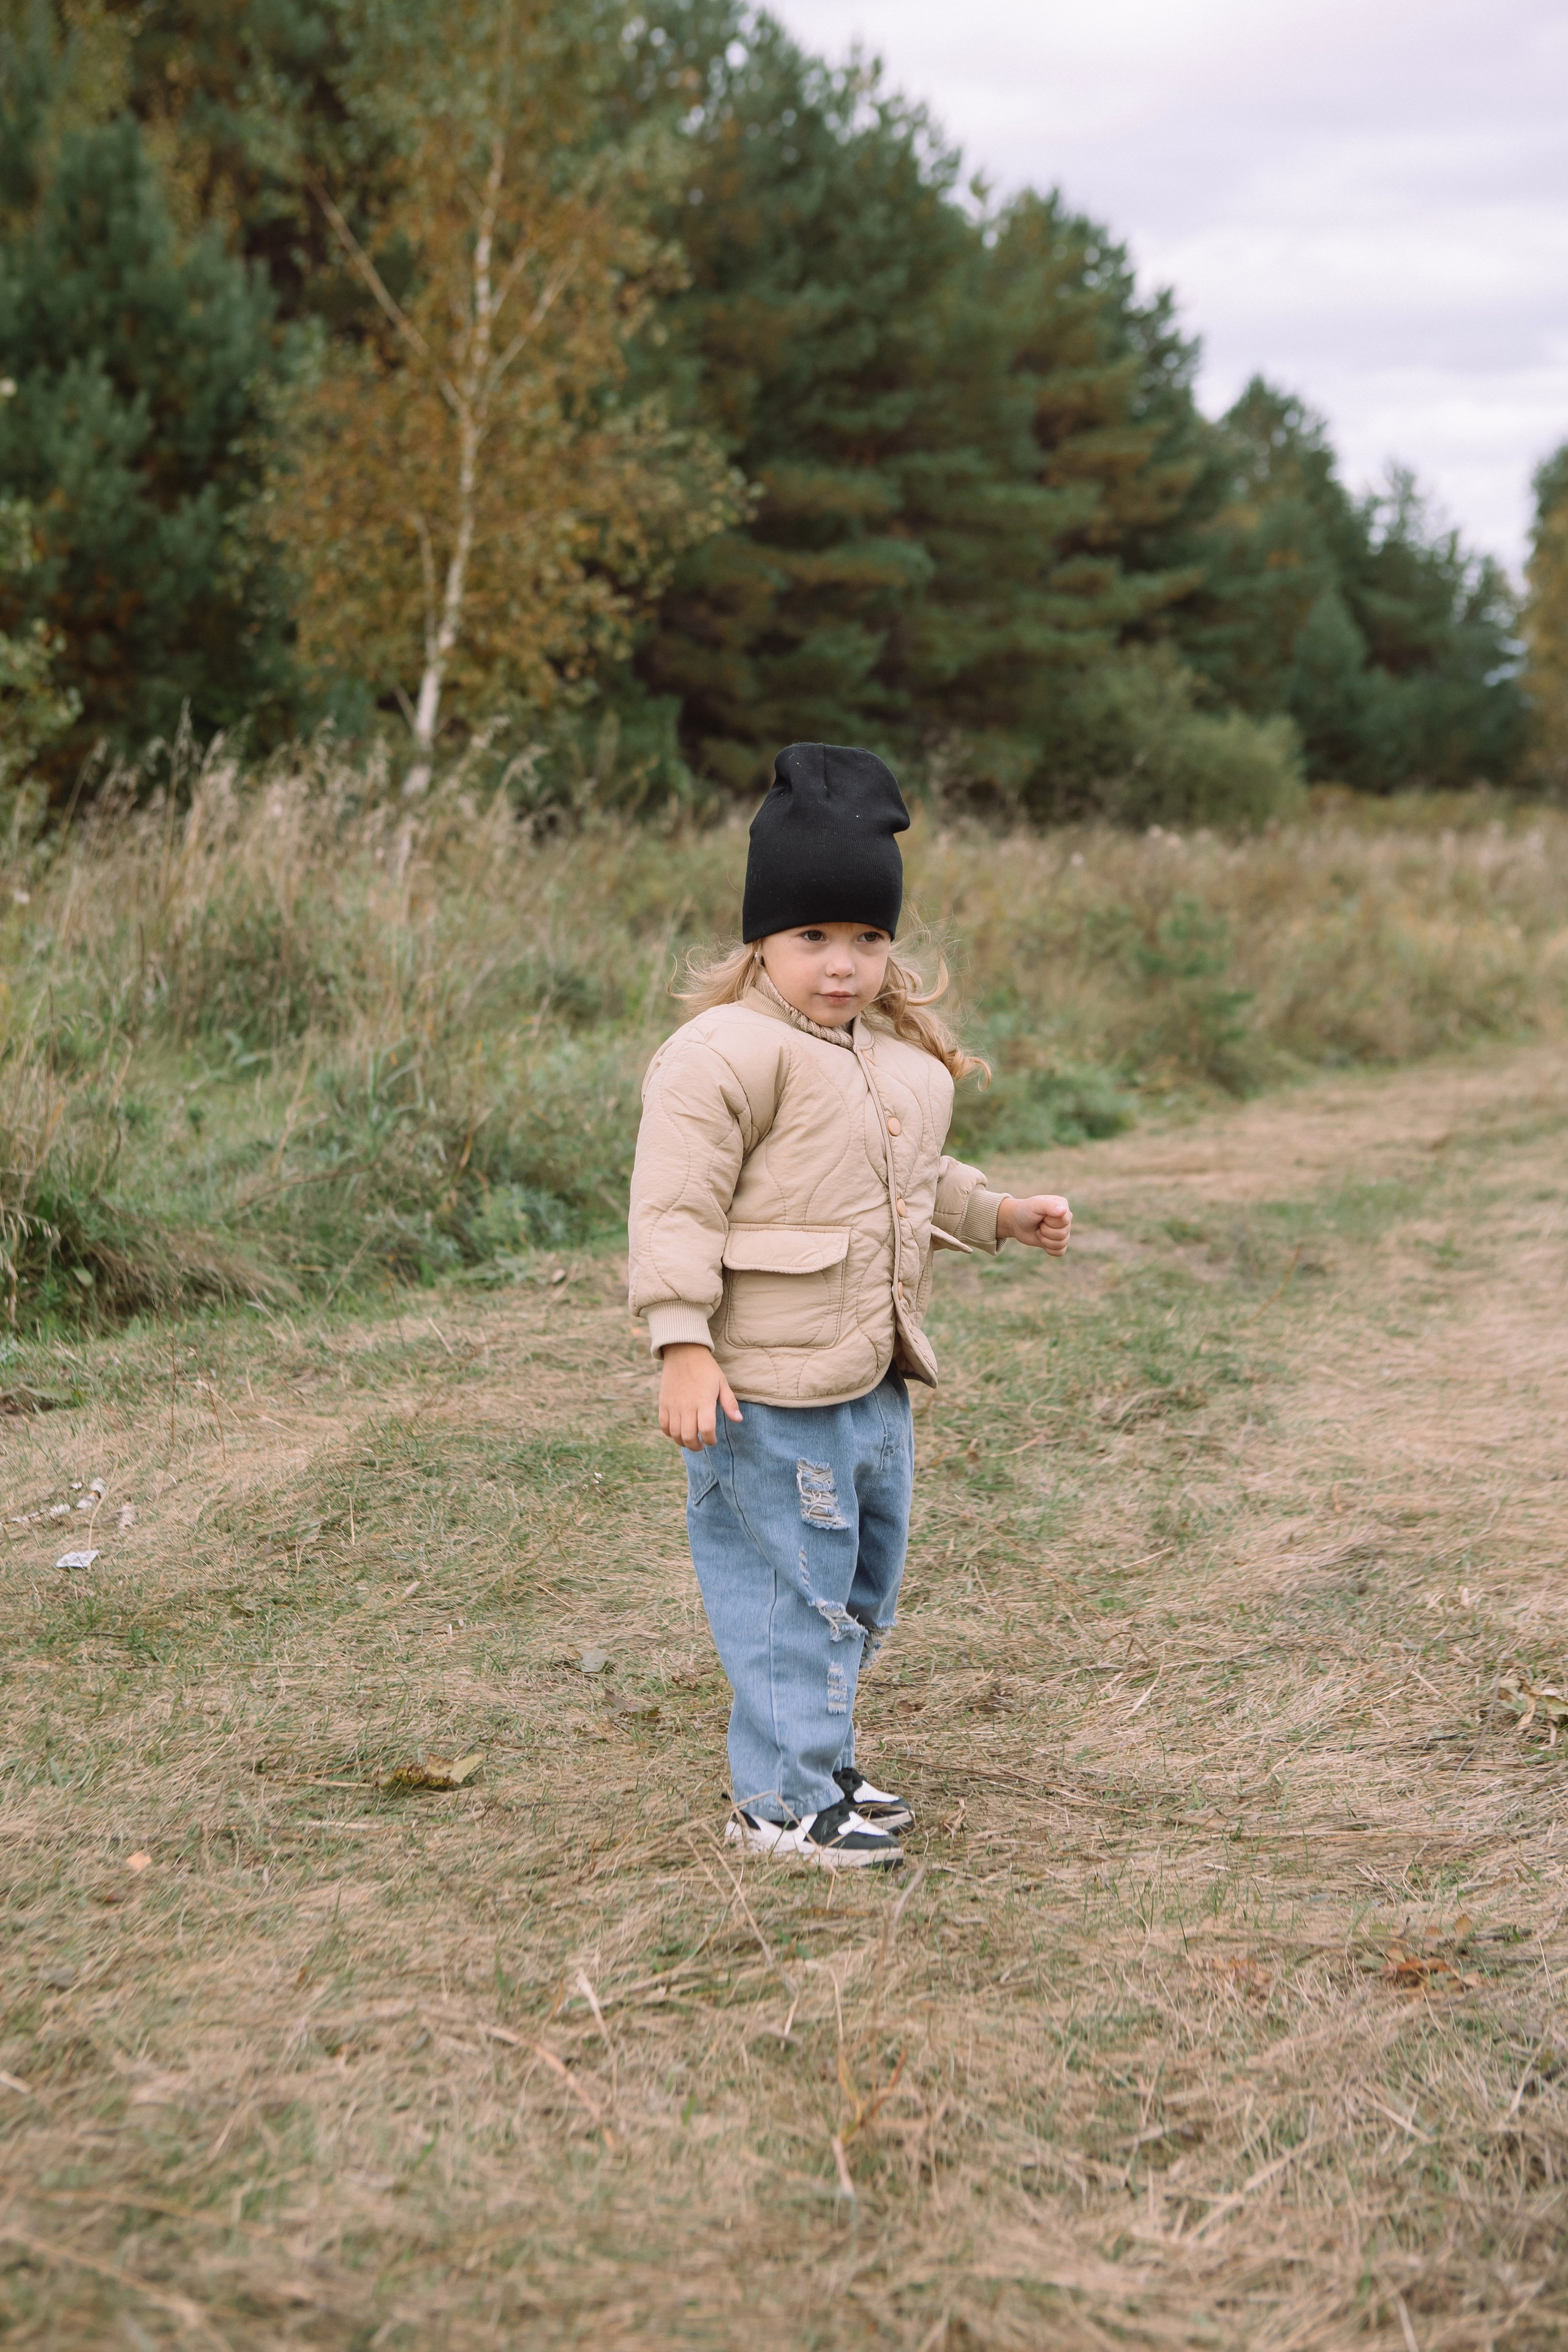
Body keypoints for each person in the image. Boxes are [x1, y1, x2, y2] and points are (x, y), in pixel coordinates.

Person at [628, 742, 1071, 1869]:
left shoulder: (896, 1063)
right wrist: (682, 1343)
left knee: (862, 1582)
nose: (843, 964)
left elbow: (916, 1181)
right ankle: (779, 1802)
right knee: (794, 1590)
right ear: (761, 940)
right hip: (766, 1389)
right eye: (813, 936)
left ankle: (818, 1759)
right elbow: (675, 1207)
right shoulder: (722, 1055)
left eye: (868, 938)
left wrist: (999, 1213)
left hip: (871, 1375)